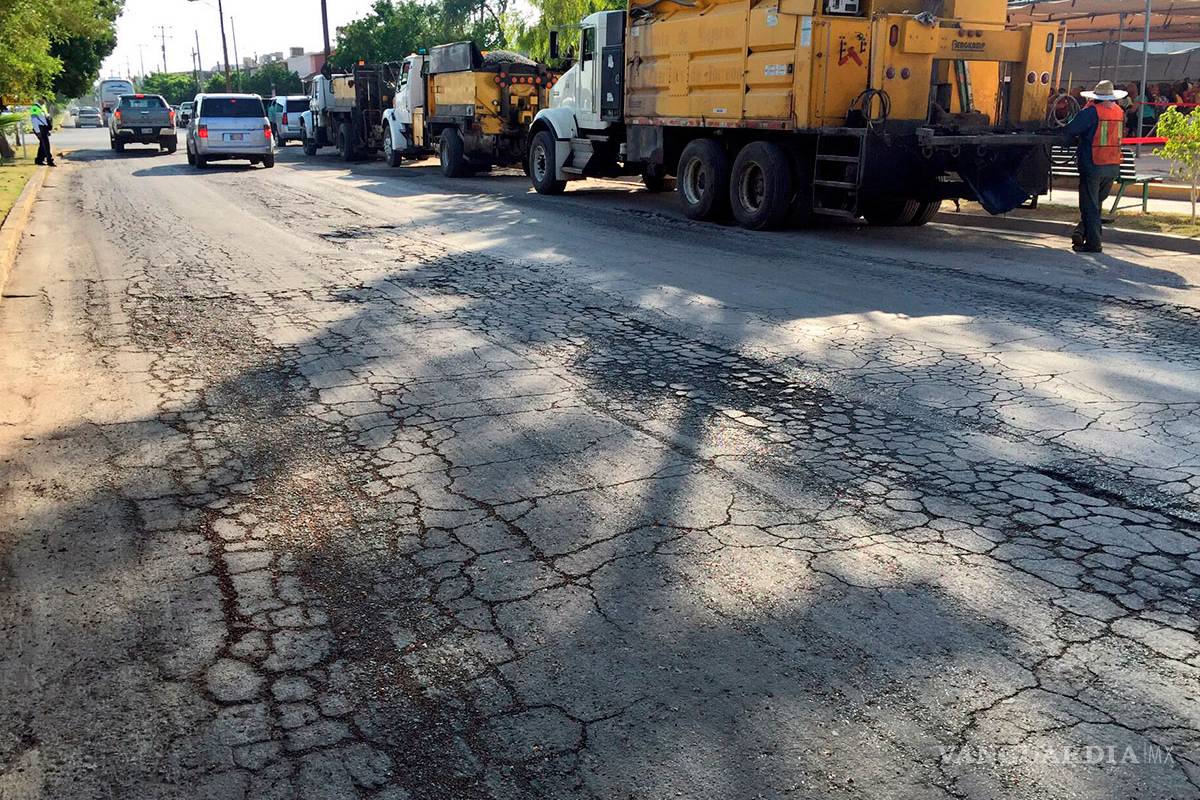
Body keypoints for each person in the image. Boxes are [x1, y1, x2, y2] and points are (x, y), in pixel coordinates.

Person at [1063, 80, 1126, 253]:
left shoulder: (1091, 112)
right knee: (1096, 204)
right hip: (1112, 164)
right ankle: (1081, 232)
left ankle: (1094, 243)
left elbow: (1070, 129)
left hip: (1094, 164)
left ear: (1095, 97)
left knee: (1089, 206)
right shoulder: (1119, 111)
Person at [29, 100, 55, 167]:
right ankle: (49, 160)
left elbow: (44, 118)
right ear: (39, 99)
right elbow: (34, 120)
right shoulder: (34, 107)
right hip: (40, 128)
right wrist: (38, 131)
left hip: (43, 128)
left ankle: (39, 159)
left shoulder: (41, 107)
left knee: (42, 145)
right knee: (46, 145)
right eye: (43, 99)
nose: (44, 100)